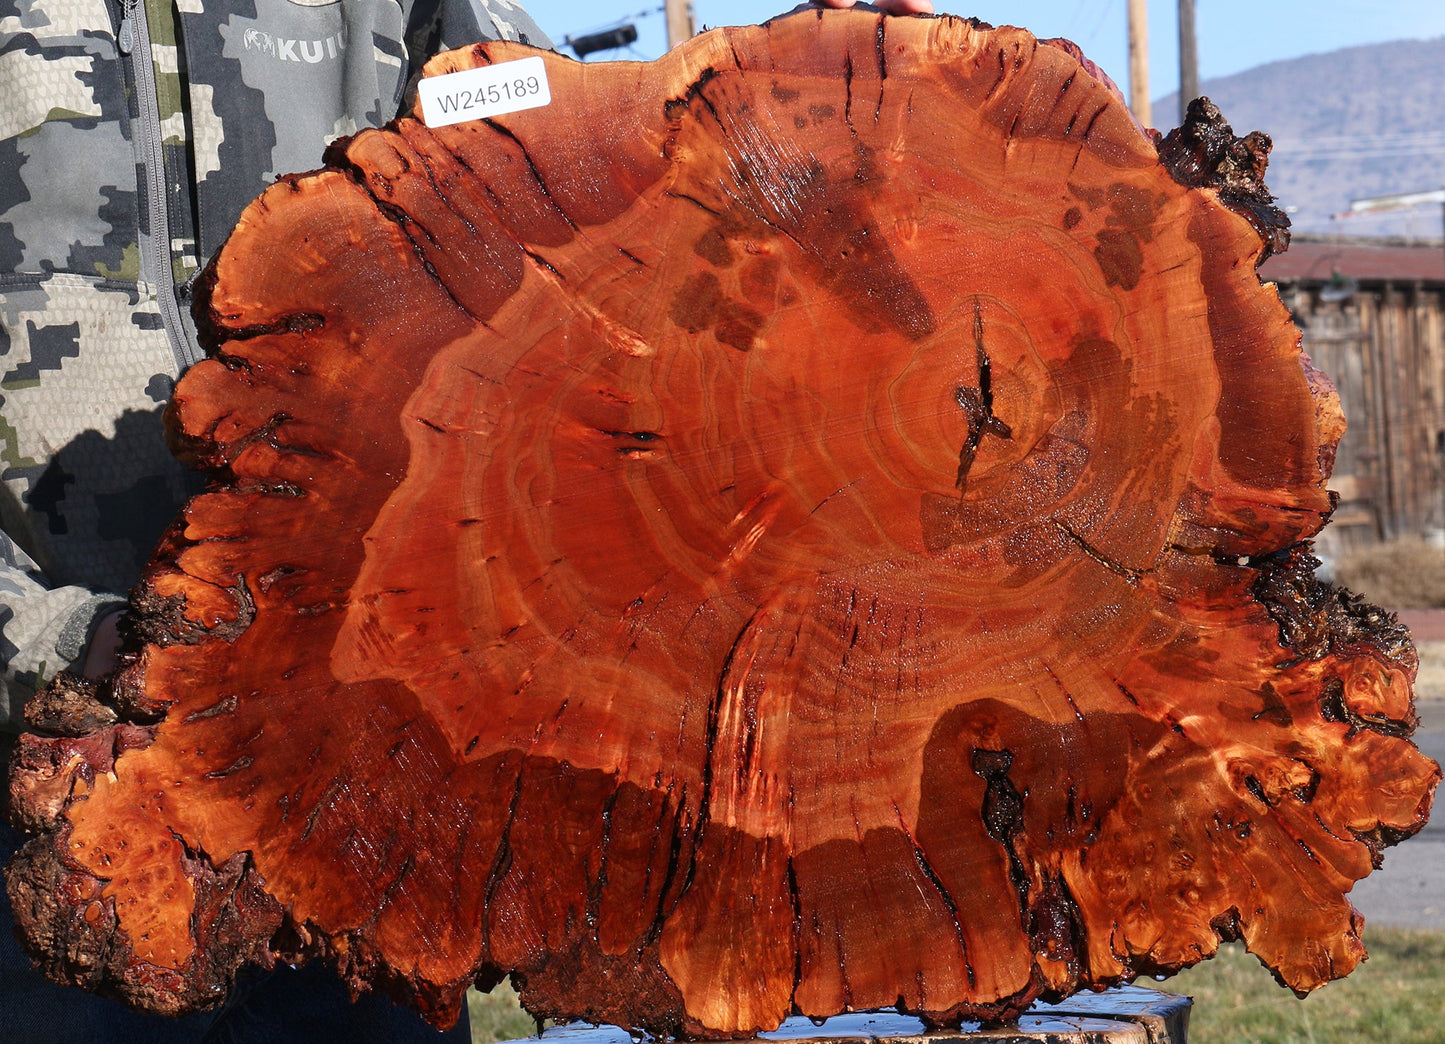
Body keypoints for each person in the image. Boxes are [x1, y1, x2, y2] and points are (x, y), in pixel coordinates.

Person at [0, 0, 932, 1039]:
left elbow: (559, 161)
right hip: (40, 793)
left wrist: (799, 139)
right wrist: (54, 647)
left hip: (354, 798)